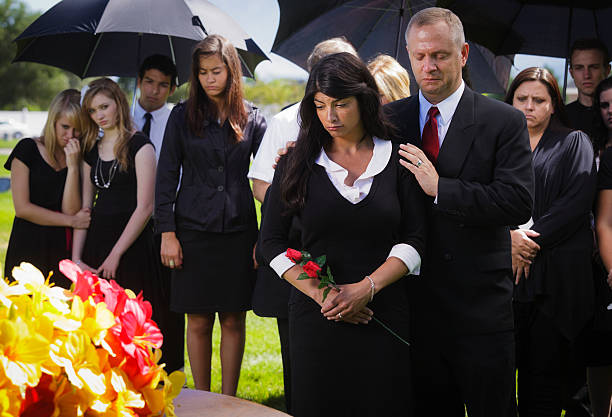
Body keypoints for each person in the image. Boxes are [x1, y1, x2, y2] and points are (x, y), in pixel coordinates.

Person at [261, 52, 426, 417]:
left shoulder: (399, 158)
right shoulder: (295, 163)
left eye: (340, 105)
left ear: (364, 100)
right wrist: (329, 297)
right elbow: (271, 242)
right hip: (316, 321)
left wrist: (365, 289)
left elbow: (415, 240)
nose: (330, 117)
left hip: (383, 316)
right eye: (320, 106)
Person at [387, 7, 534, 416]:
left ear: (464, 53)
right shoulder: (389, 120)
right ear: (409, 56)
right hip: (414, 308)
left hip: (480, 313)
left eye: (440, 55)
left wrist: (442, 189)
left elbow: (518, 201)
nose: (428, 66)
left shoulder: (502, 121)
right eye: (419, 56)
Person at [248, 36, 358, 412]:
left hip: (356, 259)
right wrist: (299, 208)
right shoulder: (285, 121)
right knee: (299, 352)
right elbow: (262, 182)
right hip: (301, 251)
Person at [155, 35, 266, 396]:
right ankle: (203, 400)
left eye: (216, 71)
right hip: (192, 233)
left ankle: (229, 401)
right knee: (198, 320)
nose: (209, 79)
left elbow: (269, 181)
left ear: (231, 71)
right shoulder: (180, 116)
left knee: (234, 318)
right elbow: (166, 175)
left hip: (239, 233)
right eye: (202, 72)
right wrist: (167, 232)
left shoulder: (253, 118)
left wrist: (264, 239)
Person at [505, 67, 597, 417]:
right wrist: (508, 240)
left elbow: (575, 203)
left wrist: (526, 241)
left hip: (555, 278)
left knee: (544, 382)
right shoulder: (498, 145)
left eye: (538, 100)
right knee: (503, 374)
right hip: (508, 277)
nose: (528, 106)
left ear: (554, 104)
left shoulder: (574, 142)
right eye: (521, 98)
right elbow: (486, 199)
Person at [72, 78, 163, 317]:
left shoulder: (141, 146)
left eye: (104, 106)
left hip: (132, 247)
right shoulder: (90, 150)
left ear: (118, 103)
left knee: (131, 320)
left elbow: (145, 207)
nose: (98, 115)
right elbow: (85, 209)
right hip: (97, 243)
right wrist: (76, 258)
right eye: (92, 110)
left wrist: (116, 255)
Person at [4, 89, 90, 286]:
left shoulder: (79, 157)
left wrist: (73, 166)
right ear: (53, 122)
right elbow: (22, 209)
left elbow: (71, 208)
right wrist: (71, 221)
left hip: (60, 245)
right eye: (65, 127)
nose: (71, 135)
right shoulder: (27, 149)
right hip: (28, 241)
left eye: (77, 129)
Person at [134, 54, 184, 374]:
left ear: (172, 88)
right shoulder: (118, 116)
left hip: (167, 223)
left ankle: (171, 373)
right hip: (127, 223)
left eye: (163, 85)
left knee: (169, 305)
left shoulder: (178, 121)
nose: (154, 90)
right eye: (149, 82)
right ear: (138, 81)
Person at [589, 76, 612, 417]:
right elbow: (605, 222)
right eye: (605, 105)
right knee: (600, 349)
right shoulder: (607, 159)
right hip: (603, 271)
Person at [566, 39, 611, 140]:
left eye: (594, 67)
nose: (586, 75)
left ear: (607, 70)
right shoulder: (560, 119)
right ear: (571, 73)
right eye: (579, 68)